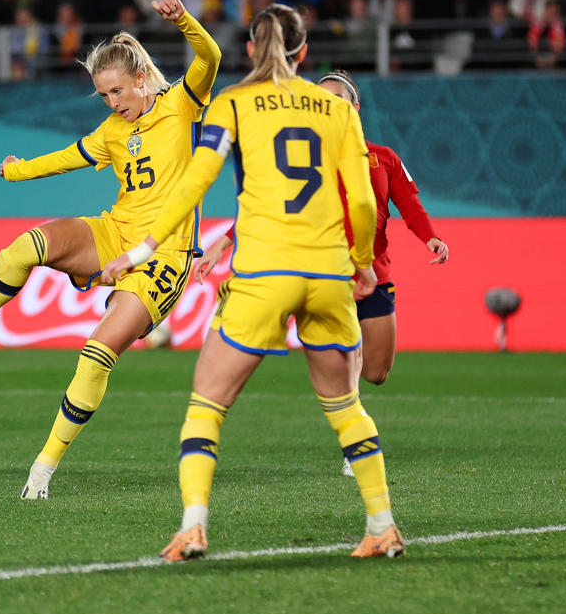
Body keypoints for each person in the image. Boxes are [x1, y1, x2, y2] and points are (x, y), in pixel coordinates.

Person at [98, 4, 403, 561]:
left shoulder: (234, 103)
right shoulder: (335, 109)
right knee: (345, 404)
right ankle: (381, 525)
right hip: (330, 271)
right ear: (303, 54)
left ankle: (193, 526)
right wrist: (361, 262)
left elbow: (195, 181)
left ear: (249, 51)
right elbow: (361, 198)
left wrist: (143, 248)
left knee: (207, 404)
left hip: (265, 272)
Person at [0, 0, 220, 500]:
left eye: (117, 90)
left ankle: (43, 469)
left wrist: (183, 21)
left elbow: (210, 59)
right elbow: (66, 158)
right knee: (28, 245)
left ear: (141, 78)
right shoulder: (113, 131)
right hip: (114, 231)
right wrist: (17, 169)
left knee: (96, 353)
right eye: (103, 95)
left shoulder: (183, 105)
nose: (113, 102)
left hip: (166, 256)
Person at [192, 69, 450, 476]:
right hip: (325, 271)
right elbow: (269, 206)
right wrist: (224, 242)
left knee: (378, 371)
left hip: (375, 275)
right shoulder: (303, 158)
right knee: (351, 354)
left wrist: (431, 238)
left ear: (355, 107)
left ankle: (340, 379)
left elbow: (410, 204)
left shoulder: (383, 157)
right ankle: (355, 447)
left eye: (338, 99)